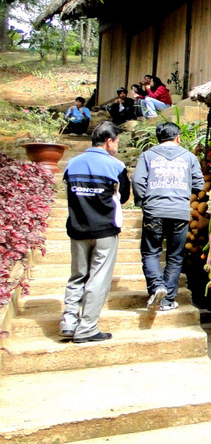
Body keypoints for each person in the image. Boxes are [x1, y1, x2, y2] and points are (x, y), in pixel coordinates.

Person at [60, 121, 129, 342]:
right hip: (105, 231)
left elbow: (69, 193)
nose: (117, 146)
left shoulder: (72, 163)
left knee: (77, 275)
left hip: (78, 228)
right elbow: (125, 196)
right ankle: (87, 327)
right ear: (109, 141)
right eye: (117, 142)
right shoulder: (116, 167)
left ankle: (69, 323)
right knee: (98, 278)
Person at [132, 122, 203, 311]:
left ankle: (157, 286)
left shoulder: (147, 156)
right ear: (178, 137)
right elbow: (199, 184)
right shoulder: (189, 157)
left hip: (154, 210)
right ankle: (167, 300)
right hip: (179, 212)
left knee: (150, 252)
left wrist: (142, 202)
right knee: (175, 255)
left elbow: (138, 181)